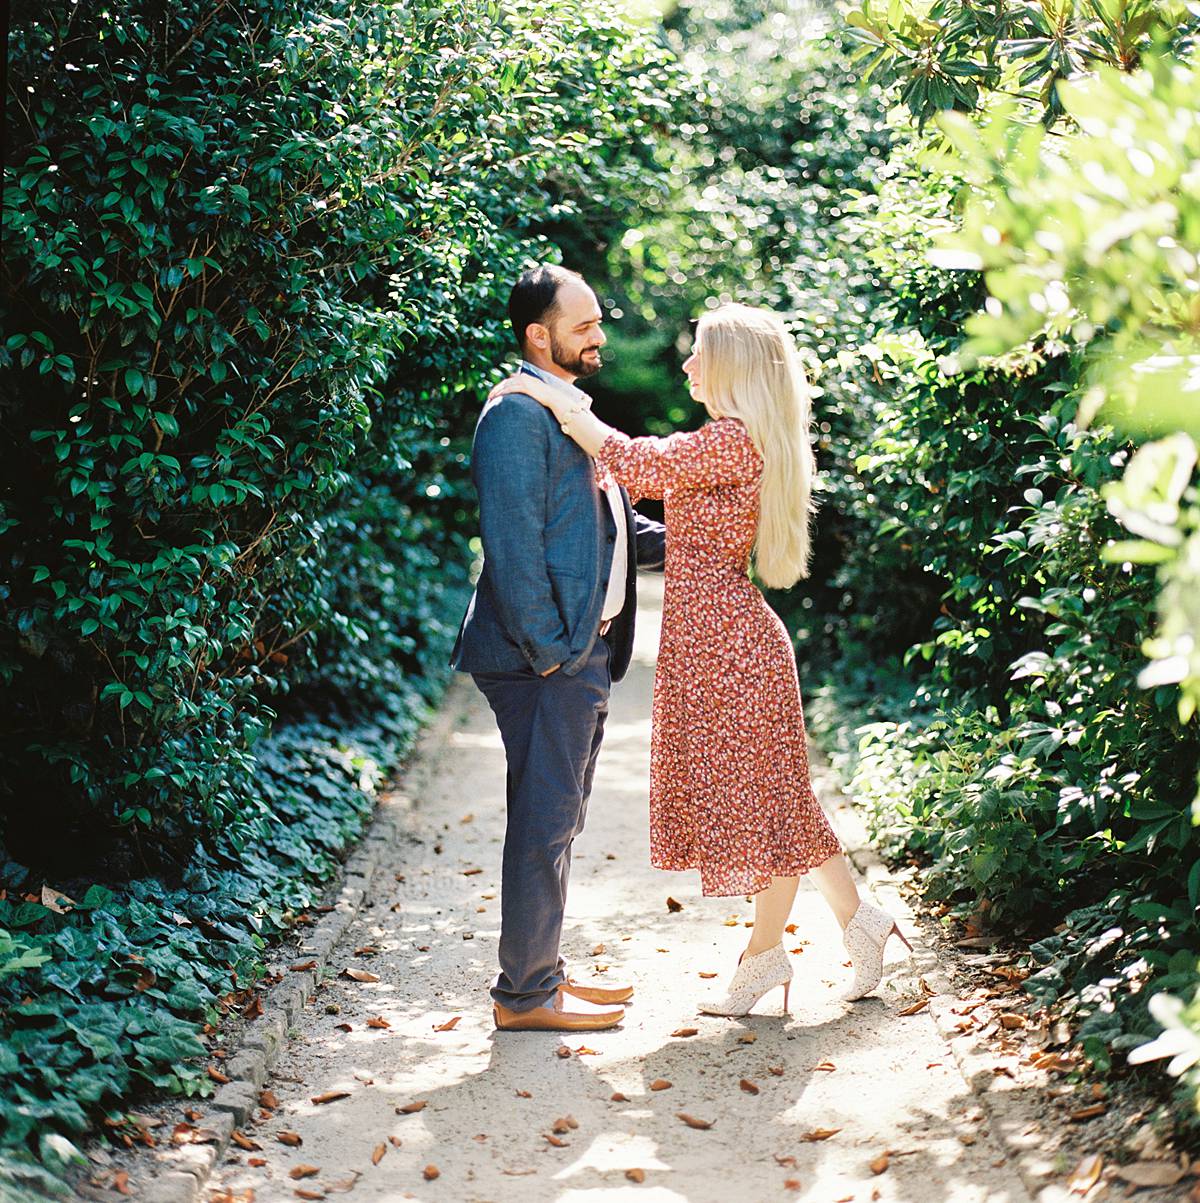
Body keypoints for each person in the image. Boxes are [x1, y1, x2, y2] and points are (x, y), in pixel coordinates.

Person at [488, 302, 912, 1015]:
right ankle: (860, 923)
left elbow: (634, 463)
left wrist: (546, 391)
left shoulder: (732, 441)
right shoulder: (732, 442)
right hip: (722, 643)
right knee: (779, 798)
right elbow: (649, 501)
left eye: (698, 353)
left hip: (731, 648)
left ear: (731, 366)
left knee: (768, 806)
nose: (685, 364)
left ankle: (762, 960)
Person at [450, 264, 666, 1032]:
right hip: (544, 662)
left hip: (578, 657)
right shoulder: (516, 418)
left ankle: (540, 975)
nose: (599, 334)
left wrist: (701, 539)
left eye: (599, 320)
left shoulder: (567, 411)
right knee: (544, 821)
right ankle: (526, 996)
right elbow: (511, 550)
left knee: (558, 818)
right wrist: (556, 653)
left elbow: (603, 526)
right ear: (538, 336)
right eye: (584, 325)